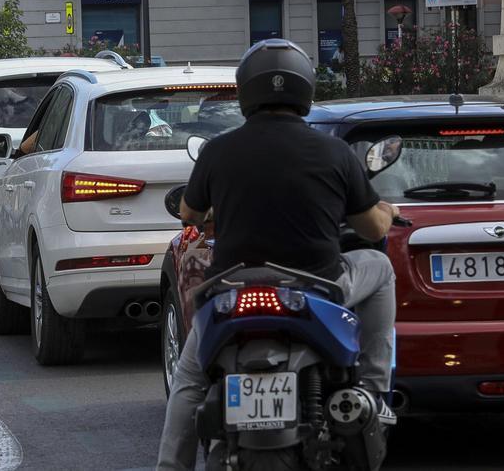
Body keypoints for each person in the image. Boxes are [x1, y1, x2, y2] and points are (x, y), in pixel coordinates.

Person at [156, 39, 400, 471]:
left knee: (190, 380)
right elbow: (372, 229)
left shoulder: (218, 150)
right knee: (379, 265)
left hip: (232, 288)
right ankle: (375, 389)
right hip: (317, 287)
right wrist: (388, 210)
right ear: (305, 89)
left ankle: (169, 467)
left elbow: (190, 213)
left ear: (246, 91)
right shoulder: (335, 152)